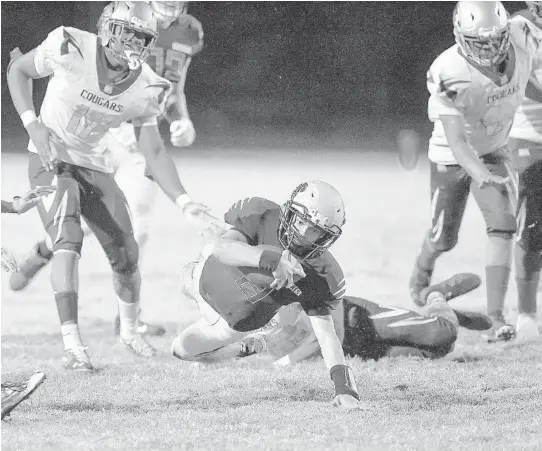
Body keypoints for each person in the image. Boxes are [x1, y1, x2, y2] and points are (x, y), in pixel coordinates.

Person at [6, 1, 209, 372]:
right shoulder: (70, 45)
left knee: (128, 252)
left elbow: (153, 147)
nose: (133, 42)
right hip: (52, 157)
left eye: (142, 37)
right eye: (127, 32)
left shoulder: (146, 84)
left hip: (94, 162)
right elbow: (18, 69)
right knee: (70, 240)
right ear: (108, 28)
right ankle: (74, 347)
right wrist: (33, 124)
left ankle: (129, 332)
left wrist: (184, 202)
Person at [172, 181, 377, 409]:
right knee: (193, 267)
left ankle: (244, 347)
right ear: (290, 212)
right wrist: (271, 260)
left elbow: (327, 336)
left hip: (228, 322)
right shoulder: (263, 214)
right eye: (300, 222)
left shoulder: (322, 274)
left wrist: (345, 389)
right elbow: (223, 250)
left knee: (180, 350)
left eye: (315, 231)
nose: (303, 234)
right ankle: (255, 335)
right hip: (204, 276)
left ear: (326, 237)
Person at [408, 1, 540, 343]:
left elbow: (523, 81)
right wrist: (478, 173)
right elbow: (456, 141)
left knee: (503, 226)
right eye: (478, 41)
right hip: (452, 159)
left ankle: (496, 318)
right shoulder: (449, 70)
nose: (489, 47)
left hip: (495, 149)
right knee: (443, 238)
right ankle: (420, 279)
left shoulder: (522, 37)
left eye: (494, 39)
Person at [233, 274, 492, 365]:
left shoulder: (284, 295)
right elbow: (243, 345)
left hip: (357, 318)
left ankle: (436, 297)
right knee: (436, 352)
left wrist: (286, 363)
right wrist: (206, 353)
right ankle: (448, 315)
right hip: (355, 348)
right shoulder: (254, 322)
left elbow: (320, 336)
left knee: (441, 335)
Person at [508, 1, 542, 340]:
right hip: (531, 140)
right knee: (531, 227)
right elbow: (523, 81)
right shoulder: (518, 27)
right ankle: (527, 313)